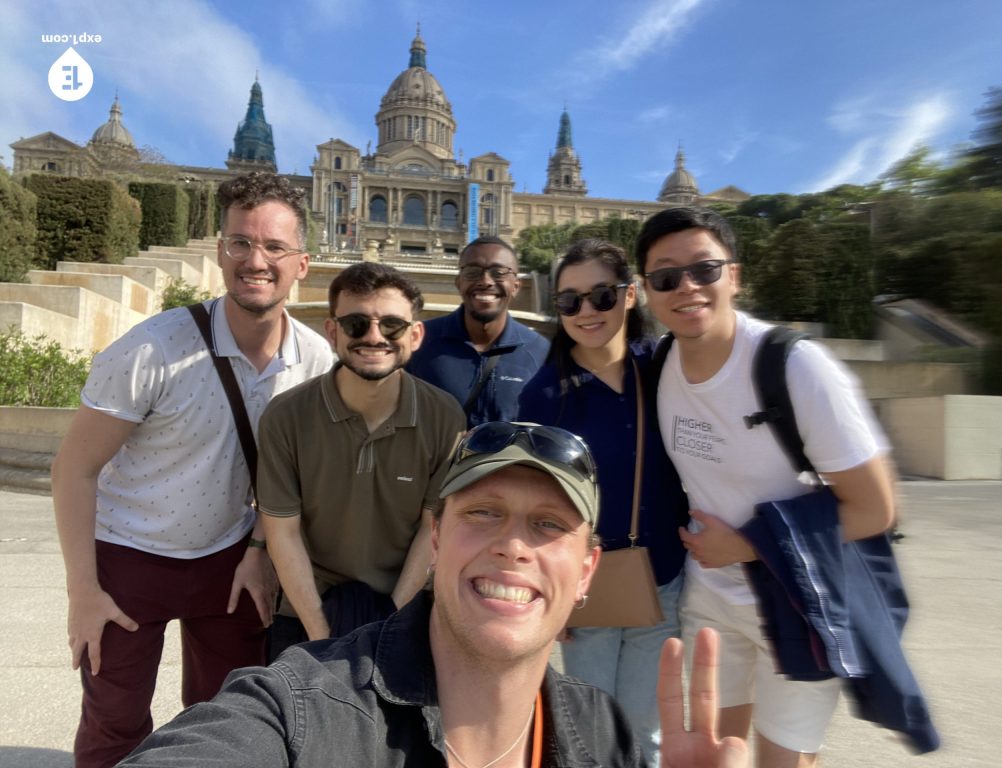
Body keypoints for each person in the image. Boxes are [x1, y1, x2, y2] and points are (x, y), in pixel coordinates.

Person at [117, 421, 749, 767]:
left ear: (586, 572)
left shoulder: (606, 737)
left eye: (548, 525)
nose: (513, 546)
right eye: (483, 513)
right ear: (438, 540)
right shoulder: (301, 710)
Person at [51, 171, 335, 768]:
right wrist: (83, 592)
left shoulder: (315, 359)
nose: (255, 260)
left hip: (232, 560)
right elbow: (74, 470)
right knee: (114, 722)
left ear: (302, 263)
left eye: (274, 247)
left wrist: (259, 549)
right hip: (128, 556)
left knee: (227, 720)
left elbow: (295, 477)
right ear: (220, 252)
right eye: (241, 242)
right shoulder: (151, 349)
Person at [635, 206, 896, 768]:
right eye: (666, 277)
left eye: (704, 269)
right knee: (713, 757)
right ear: (647, 291)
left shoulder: (797, 367)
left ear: (734, 275)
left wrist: (749, 544)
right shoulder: (660, 363)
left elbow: (875, 509)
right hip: (709, 598)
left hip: (798, 599)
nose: (686, 287)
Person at [517, 238, 686, 764]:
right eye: (570, 301)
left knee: (645, 734)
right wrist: (550, 593)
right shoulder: (544, 395)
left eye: (601, 295)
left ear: (629, 295)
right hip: (585, 589)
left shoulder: (664, 369)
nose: (586, 311)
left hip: (663, 576)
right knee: (591, 731)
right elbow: (537, 501)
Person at [258, 262, 465, 660]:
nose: (374, 337)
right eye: (356, 324)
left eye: (392, 325)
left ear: (415, 335)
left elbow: (432, 530)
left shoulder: (444, 417)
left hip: (403, 607)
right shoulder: (286, 417)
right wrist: (322, 636)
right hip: (308, 606)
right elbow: (283, 534)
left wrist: (387, 629)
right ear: (332, 331)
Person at [406, 236, 549, 426]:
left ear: (516, 286)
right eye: (473, 272)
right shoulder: (419, 342)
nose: (485, 281)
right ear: (458, 283)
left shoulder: (540, 352)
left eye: (498, 272)